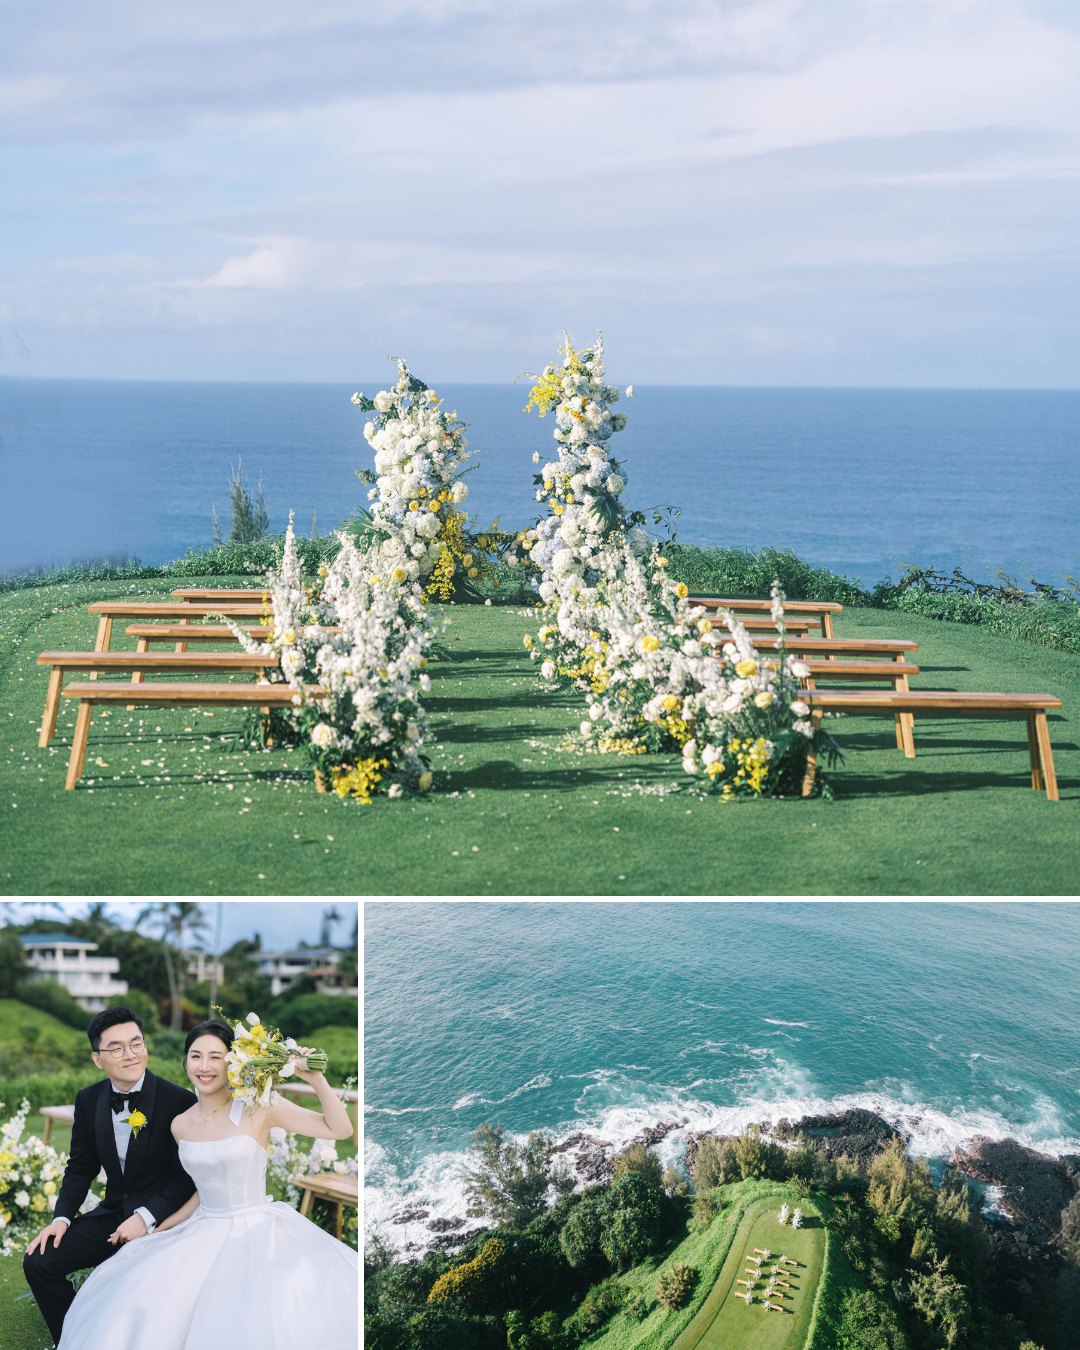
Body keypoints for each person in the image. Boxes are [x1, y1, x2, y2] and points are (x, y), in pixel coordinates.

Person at [52, 1017, 359, 1349]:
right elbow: (199, 1192)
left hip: (258, 1228)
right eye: (195, 1056)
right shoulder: (181, 1124)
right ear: (185, 1061)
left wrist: (315, 1079)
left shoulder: (259, 1107)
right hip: (202, 1226)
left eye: (216, 1056)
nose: (204, 1066)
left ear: (233, 1060)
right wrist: (157, 1228)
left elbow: (340, 1130)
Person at [24, 1007, 198, 1346]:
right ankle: (77, 1338)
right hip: (113, 1215)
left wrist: (145, 1218)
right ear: (97, 1058)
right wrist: (61, 1218)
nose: (130, 1055)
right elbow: (80, 1166)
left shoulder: (180, 1100)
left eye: (136, 1044)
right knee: (39, 1261)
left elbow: (187, 1176)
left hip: (167, 1220)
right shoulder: (88, 1100)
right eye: (116, 1048)